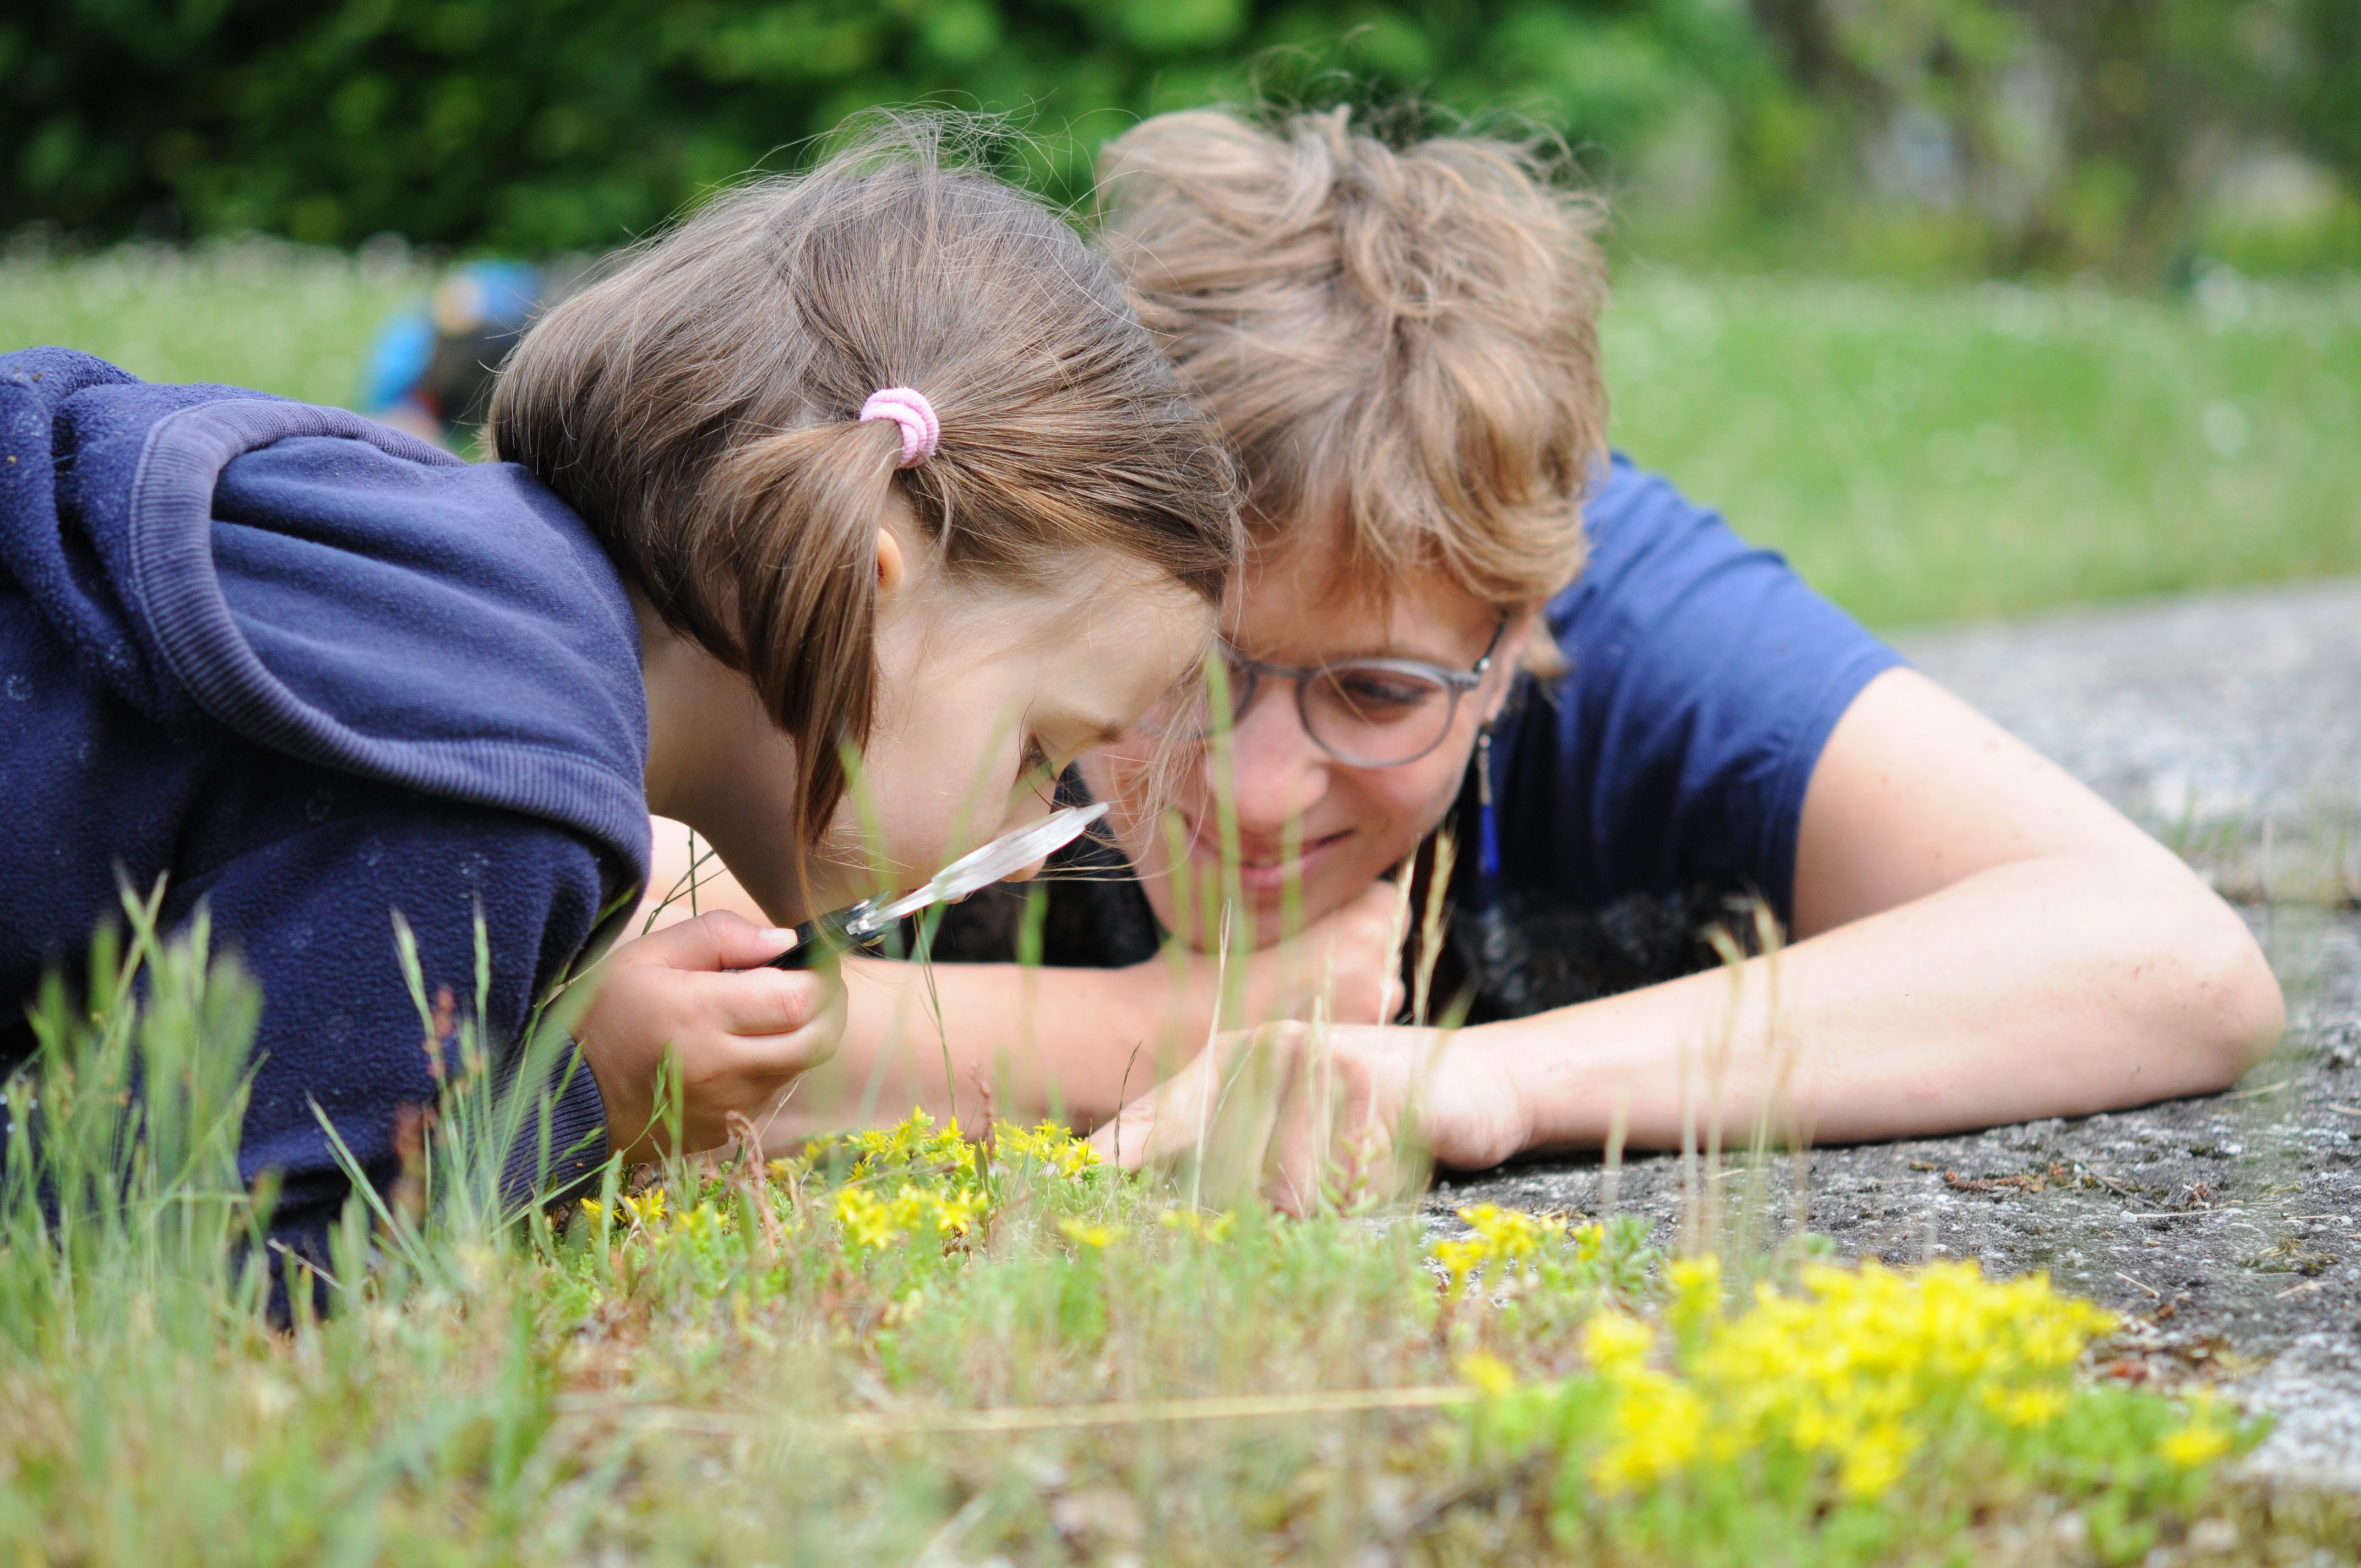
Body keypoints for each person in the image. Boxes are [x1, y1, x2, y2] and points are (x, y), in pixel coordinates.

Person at [676, 107, 2284, 1212]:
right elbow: (578, 961)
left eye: (1377, 692)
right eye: (1183, 674)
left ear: (1518, 638)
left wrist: (1475, 1080)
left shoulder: (1630, 617)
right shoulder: (973, 607)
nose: (1255, 789)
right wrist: (1144, 1031)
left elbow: (2165, 960)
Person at [0, 124, 1241, 1251]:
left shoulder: (444, 584)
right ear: (865, 594)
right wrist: (587, 1097)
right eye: (1037, 749)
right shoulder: (506, 779)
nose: (1025, 855)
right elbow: (205, 1253)